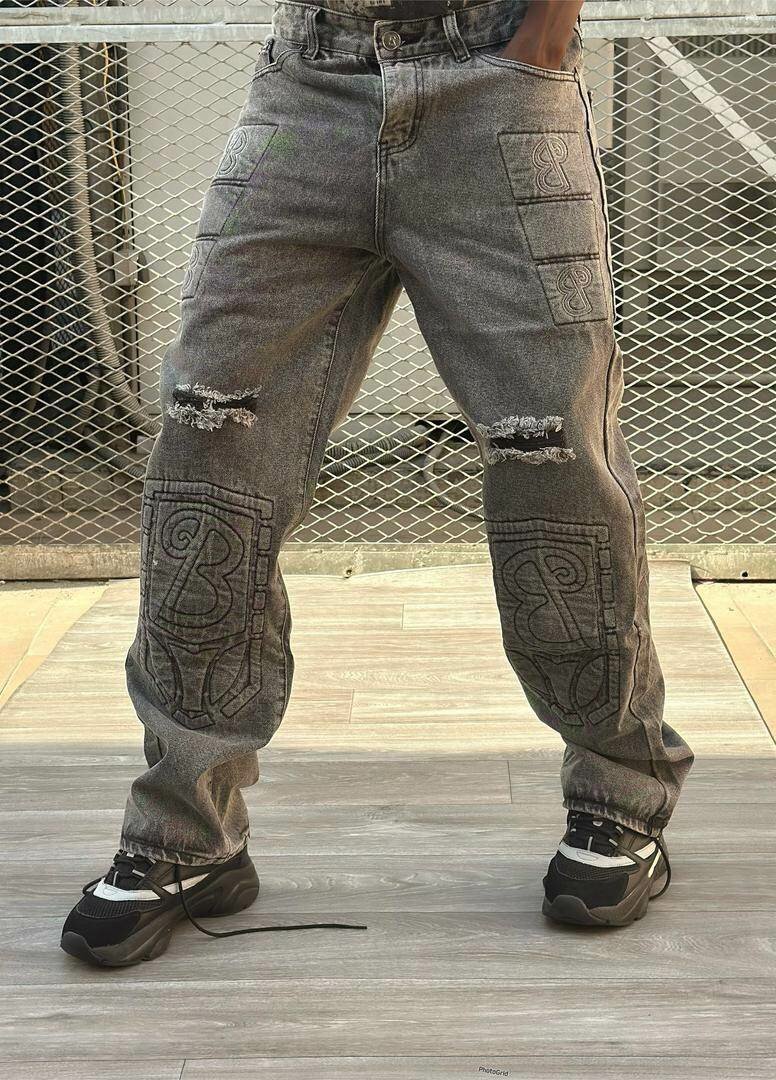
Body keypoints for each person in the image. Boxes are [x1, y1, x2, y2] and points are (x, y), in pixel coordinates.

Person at [61, 0, 694, 967]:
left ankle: (621, 797)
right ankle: (186, 833)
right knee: (209, 435)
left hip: (498, 85)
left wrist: (542, 36)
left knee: (553, 455)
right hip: (308, 84)